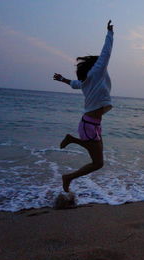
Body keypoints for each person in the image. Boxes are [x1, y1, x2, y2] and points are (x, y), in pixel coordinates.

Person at [53, 20, 114, 192]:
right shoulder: (96, 73)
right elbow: (106, 53)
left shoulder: (88, 80)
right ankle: (68, 177)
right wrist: (110, 33)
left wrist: (62, 79)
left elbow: (75, 84)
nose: (104, 66)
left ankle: (72, 139)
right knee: (98, 163)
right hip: (88, 125)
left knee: (98, 159)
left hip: (93, 125)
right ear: (97, 66)